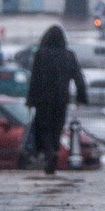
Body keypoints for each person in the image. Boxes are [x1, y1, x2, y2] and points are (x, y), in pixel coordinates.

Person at [25, 24, 88, 175]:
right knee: (56, 129)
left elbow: (35, 79)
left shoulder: (41, 54)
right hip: (61, 100)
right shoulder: (69, 55)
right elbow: (79, 78)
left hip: (43, 100)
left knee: (44, 129)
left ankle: (49, 154)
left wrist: (30, 100)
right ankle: (52, 154)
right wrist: (81, 97)